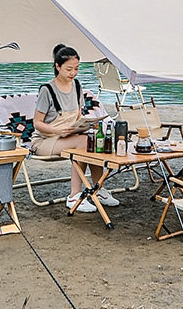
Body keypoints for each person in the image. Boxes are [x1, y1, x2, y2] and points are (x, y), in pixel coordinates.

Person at [30, 43, 119, 214]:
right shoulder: (47, 90)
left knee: (92, 138)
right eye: (69, 69)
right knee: (84, 142)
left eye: (76, 69)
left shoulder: (77, 86)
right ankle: (74, 195)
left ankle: (98, 190)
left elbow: (77, 117)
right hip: (44, 141)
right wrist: (58, 131)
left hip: (67, 136)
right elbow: (37, 123)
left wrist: (85, 125)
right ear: (57, 66)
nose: (73, 73)